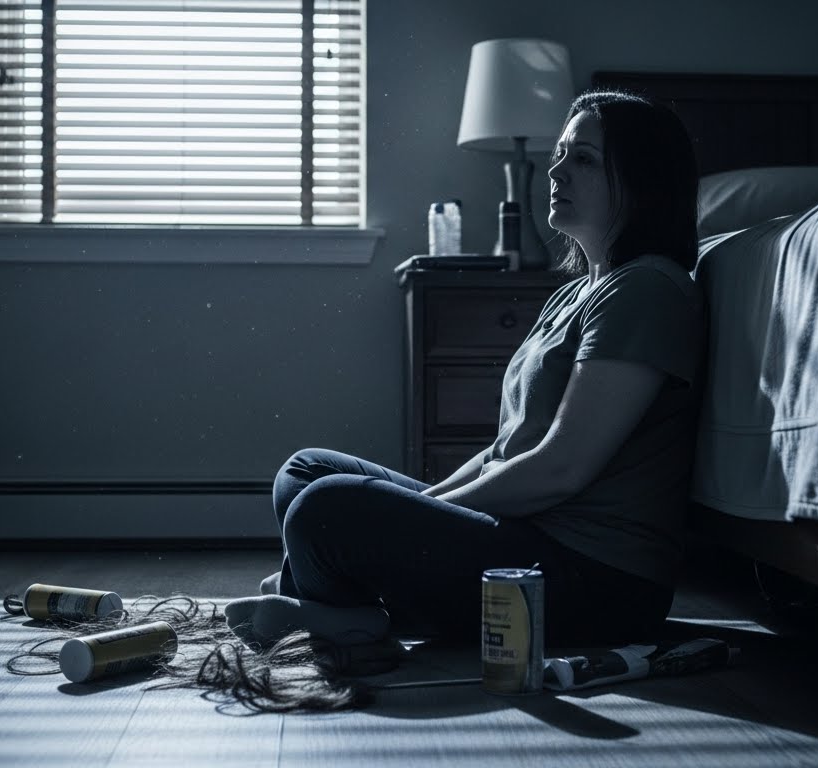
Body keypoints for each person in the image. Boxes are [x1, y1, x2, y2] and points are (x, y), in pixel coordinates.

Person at [224, 90, 706, 655]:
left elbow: (561, 469)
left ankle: (345, 615)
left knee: (324, 509)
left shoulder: (648, 289)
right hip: (528, 537)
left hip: (591, 582)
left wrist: (420, 519)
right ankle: (346, 612)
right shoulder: (577, 294)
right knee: (305, 472)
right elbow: (508, 447)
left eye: (584, 159)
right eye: (561, 154)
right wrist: (421, 510)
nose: (555, 170)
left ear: (642, 179)